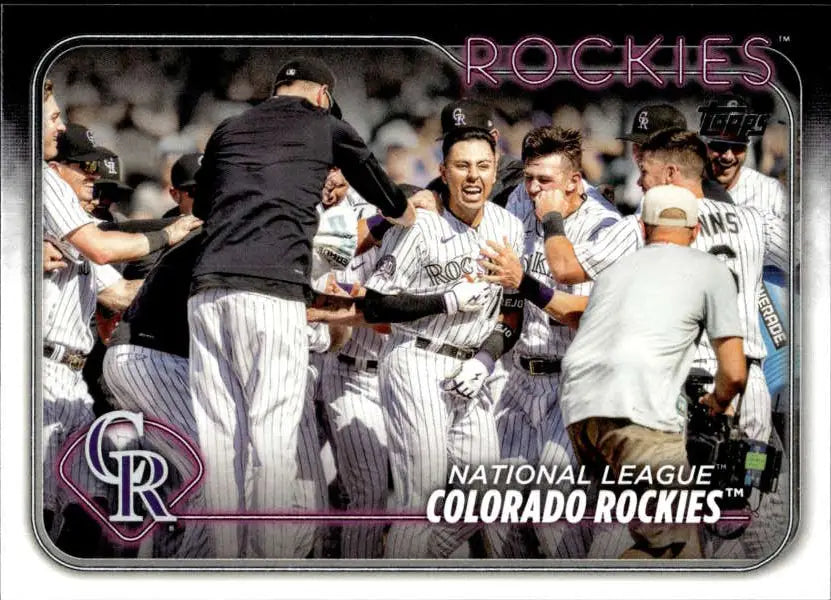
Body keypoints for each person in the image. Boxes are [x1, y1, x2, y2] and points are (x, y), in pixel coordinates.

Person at [186, 56, 414, 558]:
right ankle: (265, 570)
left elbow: (203, 207)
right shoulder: (325, 123)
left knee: (220, 441)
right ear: (322, 96)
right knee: (271, 436)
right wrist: (406, 211)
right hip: (272, 291)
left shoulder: (228, 127)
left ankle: (222, 568)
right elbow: (386, 196)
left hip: (206, 292)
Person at [531, 128, 789, 559]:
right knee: (747, 528)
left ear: (670, 173)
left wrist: (552, 217)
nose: (641, 182)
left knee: (642, 528)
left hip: (681, 396)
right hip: (747, 389)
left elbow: (564, 267)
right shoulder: (752, 220)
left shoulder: (647, 229)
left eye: (646, 171)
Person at [359, 127, 525, 558]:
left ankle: (412, 567)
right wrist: (445, 299)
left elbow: (513, 309)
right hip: (419, 357)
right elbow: (375, 305)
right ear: (443, 172)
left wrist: (487, 359)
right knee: (422, 494)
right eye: (463, 166)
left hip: (472, 370)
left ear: (494, 171)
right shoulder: (421, 224)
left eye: (483, 166)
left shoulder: (508, 225)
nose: (474, 176)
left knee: (489, 495)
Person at [559, 184, 748, 559]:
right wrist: (716, 402)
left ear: (644, 229)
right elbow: (734, 372)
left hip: (581, 414)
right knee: (667, 546)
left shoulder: (615, 271)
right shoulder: (710, 268)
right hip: (637, 415)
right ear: (696, 232)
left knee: (680, 545)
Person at [473, 125, 620, 559]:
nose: (534, 189)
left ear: (575, 182)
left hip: (569, 385)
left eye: (546, 181)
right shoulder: (520, 200)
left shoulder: (603, 225)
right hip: (518, 380)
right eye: (530, 178)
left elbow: (580, 312)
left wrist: (523, 279)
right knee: (496, 518)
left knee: (555, 524)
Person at [618, 103, 733, 209]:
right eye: (636, 147)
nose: (638, 154)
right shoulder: (656, 188)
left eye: (648, 148)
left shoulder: (711, 198)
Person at [701, 94, 787, 221]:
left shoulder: (772, 192)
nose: (728, 156)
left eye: (738, 146)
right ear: (704, 141)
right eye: (719, 144)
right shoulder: (685, 188)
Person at [426, 98, 523, 208]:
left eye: (473, 137)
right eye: (454, 140)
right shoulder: (438, 187)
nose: (464, 145)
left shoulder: (521, 179)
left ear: (494, 137)